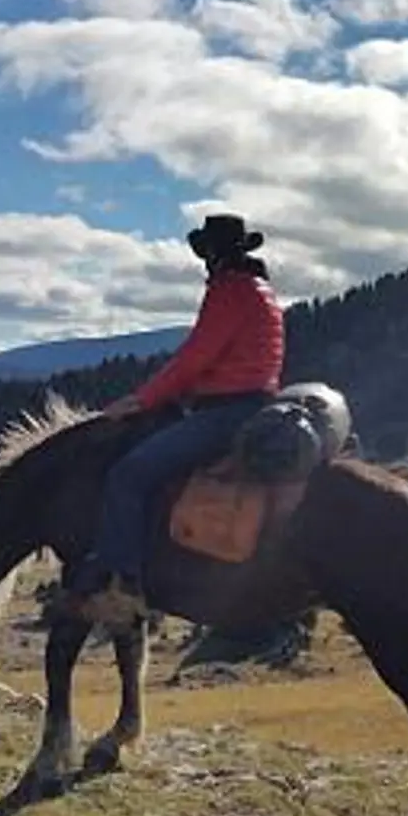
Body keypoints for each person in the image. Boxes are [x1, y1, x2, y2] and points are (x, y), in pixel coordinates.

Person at [63, 213, 285, 620]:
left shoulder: (229, 290)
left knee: (128, 475)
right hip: (254, 406)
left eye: (207, 253)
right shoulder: (263, 292)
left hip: (227, 411)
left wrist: (141, 400)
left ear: (213, 255)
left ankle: (123, 584)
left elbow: (194, 359)